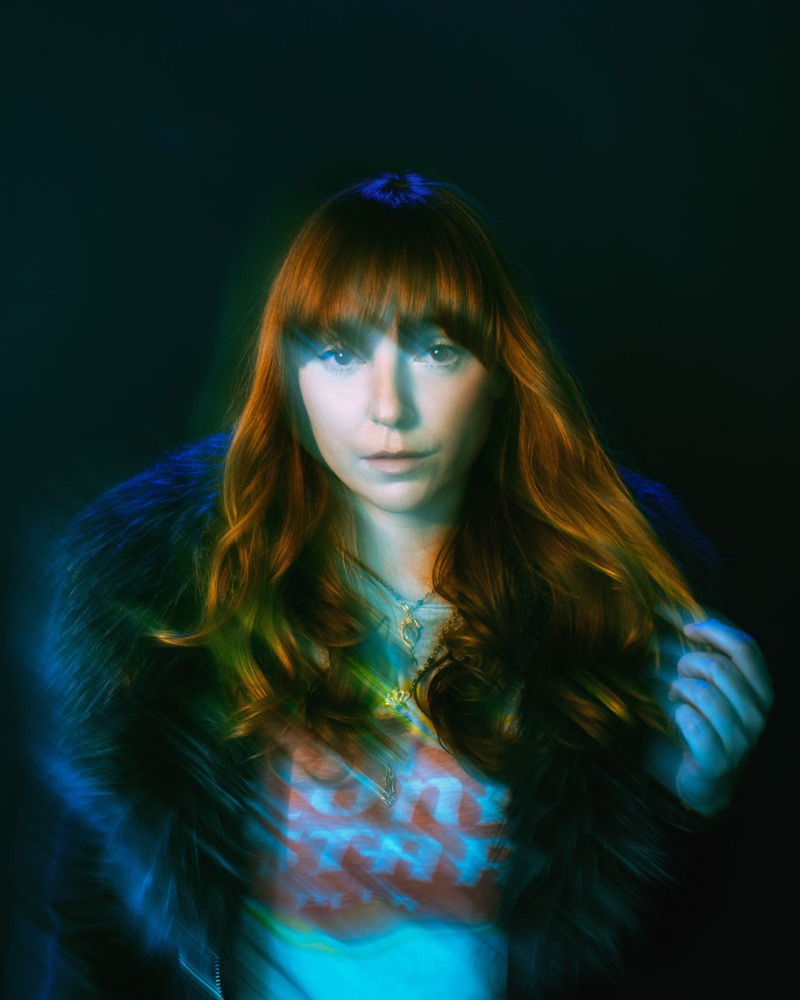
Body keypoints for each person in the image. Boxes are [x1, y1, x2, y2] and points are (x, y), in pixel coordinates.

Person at [21, 171, 771, 999]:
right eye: (340, 351)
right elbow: (95, 933)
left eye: (436, 349)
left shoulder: (612, 608)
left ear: (501, 368)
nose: (388, 407)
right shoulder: (164, 603)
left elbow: (662, 949)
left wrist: (693, 796)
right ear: (286, 373)